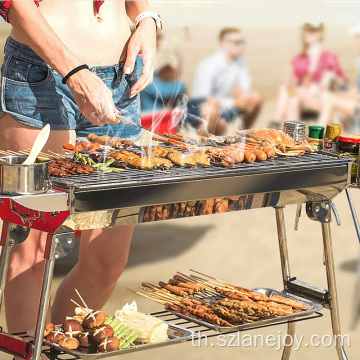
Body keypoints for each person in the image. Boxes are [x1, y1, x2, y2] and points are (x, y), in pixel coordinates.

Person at [0, 0, 159, 340]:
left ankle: (58, 345)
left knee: (108, 262)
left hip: (120, 80)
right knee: (32, 252)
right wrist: (74, 72)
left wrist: (145, 18)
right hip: (42, 75)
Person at [187, 27, 262, 135]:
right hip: (201, 107)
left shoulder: (240, 62)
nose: (240, 46)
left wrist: (242, 95)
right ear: (224, 42)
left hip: (223, 105)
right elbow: (202, 97)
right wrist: (235, 101)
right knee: (213, 111)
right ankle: (199, 146)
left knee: (256, 97)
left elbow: (246, 86)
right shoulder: (209, 65)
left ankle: (243, 136)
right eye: (236, 42)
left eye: (242, 42)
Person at [272, 23, 348, 126]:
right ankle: (286, 129)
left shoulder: (329, 56)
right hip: (303, 95)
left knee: (292, 96)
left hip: (319, 96)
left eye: (312, 32)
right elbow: (293, 76)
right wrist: (289, 79)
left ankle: (277, 124)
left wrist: (331, 77)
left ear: (320, 34)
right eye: (306, 31)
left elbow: (342, 84)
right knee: (289, 93)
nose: (307, 34)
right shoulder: (300, 58)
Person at [137, 33, 186, 112]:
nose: (156, 49)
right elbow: (160, 90)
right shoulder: (138, 62)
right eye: (155, 46)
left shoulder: (143, 62)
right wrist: (182, 85)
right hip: (149, 116)